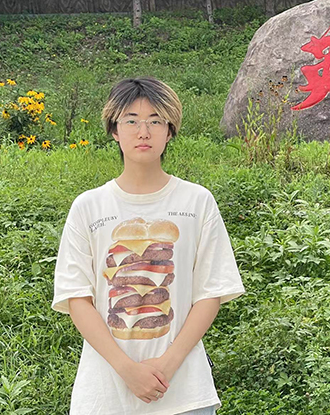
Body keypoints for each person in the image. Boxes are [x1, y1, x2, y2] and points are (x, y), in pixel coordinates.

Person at [51, 77, 246, 415]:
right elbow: (77, 297)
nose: (143, 132)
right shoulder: (88, 207)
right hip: (104, 395)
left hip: (184, 393)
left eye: (156, 121)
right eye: (131, 121)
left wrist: (167, 365)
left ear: (170, 131)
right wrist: (127, 370)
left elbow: (210, 292)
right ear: (114, 130)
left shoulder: (197, 202)